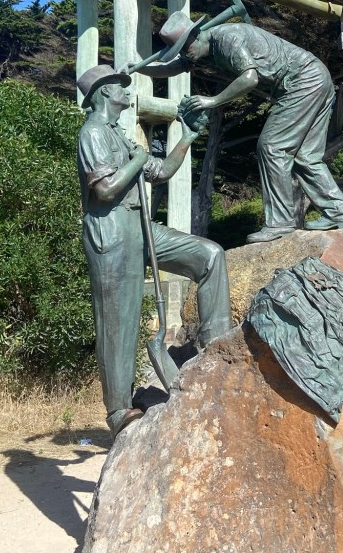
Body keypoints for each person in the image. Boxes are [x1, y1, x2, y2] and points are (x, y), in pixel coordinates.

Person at [76, 64, 232, 438]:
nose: (127, 93)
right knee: (118, 321)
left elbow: (160, 171)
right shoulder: (92, 133)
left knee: (209, 255)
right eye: (120, 87)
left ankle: (216, 348)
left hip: (141, 227)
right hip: (112, 231)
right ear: (104, 93)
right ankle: (118, 409)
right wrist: (136, 159)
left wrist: (187, 136)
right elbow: (105, 190)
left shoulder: (118, 134)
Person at [134, 12, 343, 244]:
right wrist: (140, 69)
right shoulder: (203, 47)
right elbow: (177, 67)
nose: (186, 56)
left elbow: (249, 78)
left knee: (272, 147)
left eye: (185, 50)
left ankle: (281, 222)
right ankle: (337, 213)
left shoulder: (227, 39)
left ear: (196, 36)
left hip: (304, 81)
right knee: (306, 156)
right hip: (316, 77)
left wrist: (213, 100)